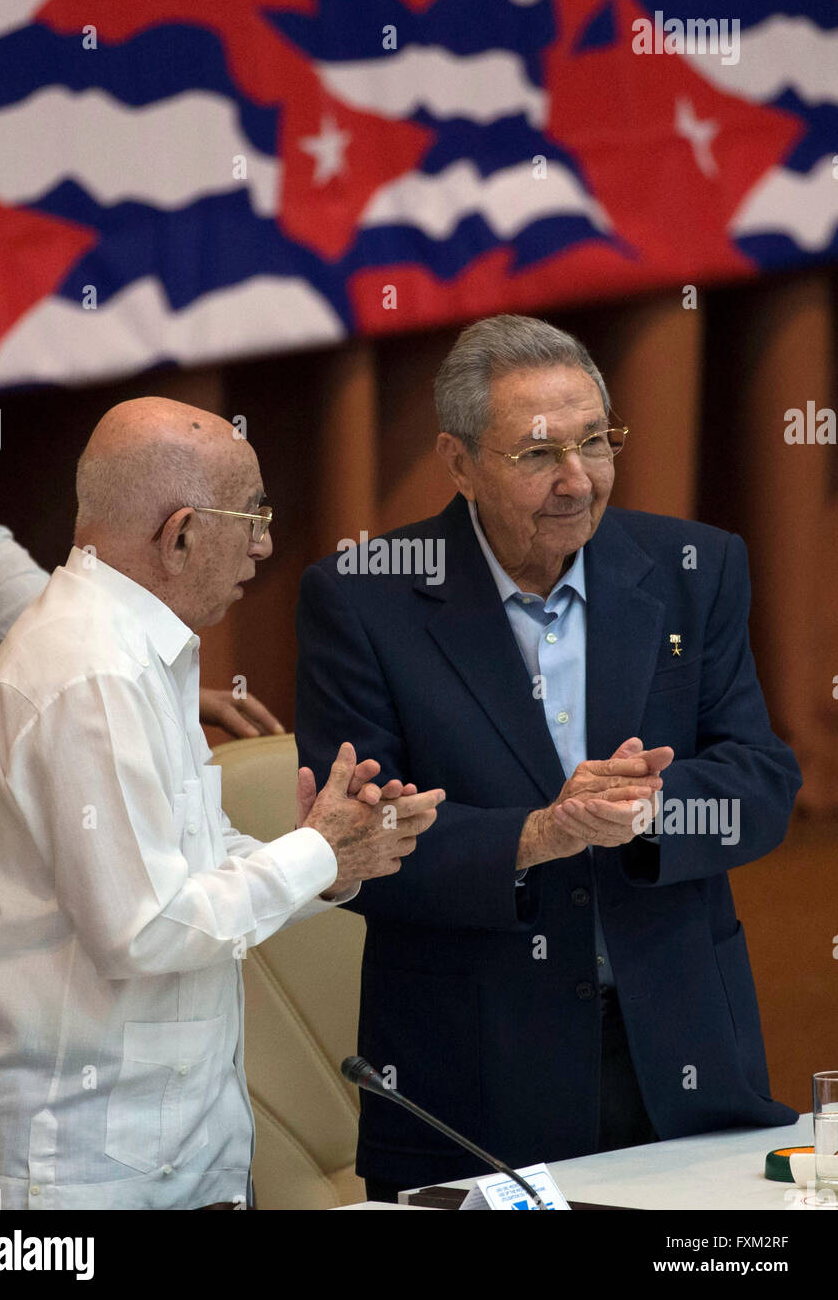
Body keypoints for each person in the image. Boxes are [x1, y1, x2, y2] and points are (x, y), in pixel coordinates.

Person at [295, 314, 802, 1201]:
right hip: (476, 1070)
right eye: (536, 455)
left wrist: (647, 814)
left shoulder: (693, 566)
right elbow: (357, 847)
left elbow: (761, 777)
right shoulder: (363, 599)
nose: (578, 480)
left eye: (596, 442)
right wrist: (533, 836)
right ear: (457, 463)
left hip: (678, 1051)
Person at [0, 397, 443, 1209]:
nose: (266, 543)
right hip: (73, 1176)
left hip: (168, 1159)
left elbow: (191, 869)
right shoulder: (93, 671)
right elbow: (146, 928)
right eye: (252, 516)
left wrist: (327, 857)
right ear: (178, 534)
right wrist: (317, 852)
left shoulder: (138, 646)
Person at [0, 461, 284, 737]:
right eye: (253, 522)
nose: (263, 547)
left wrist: (143, 679)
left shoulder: (108, 678)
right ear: (178, 537)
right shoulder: (96, 694)